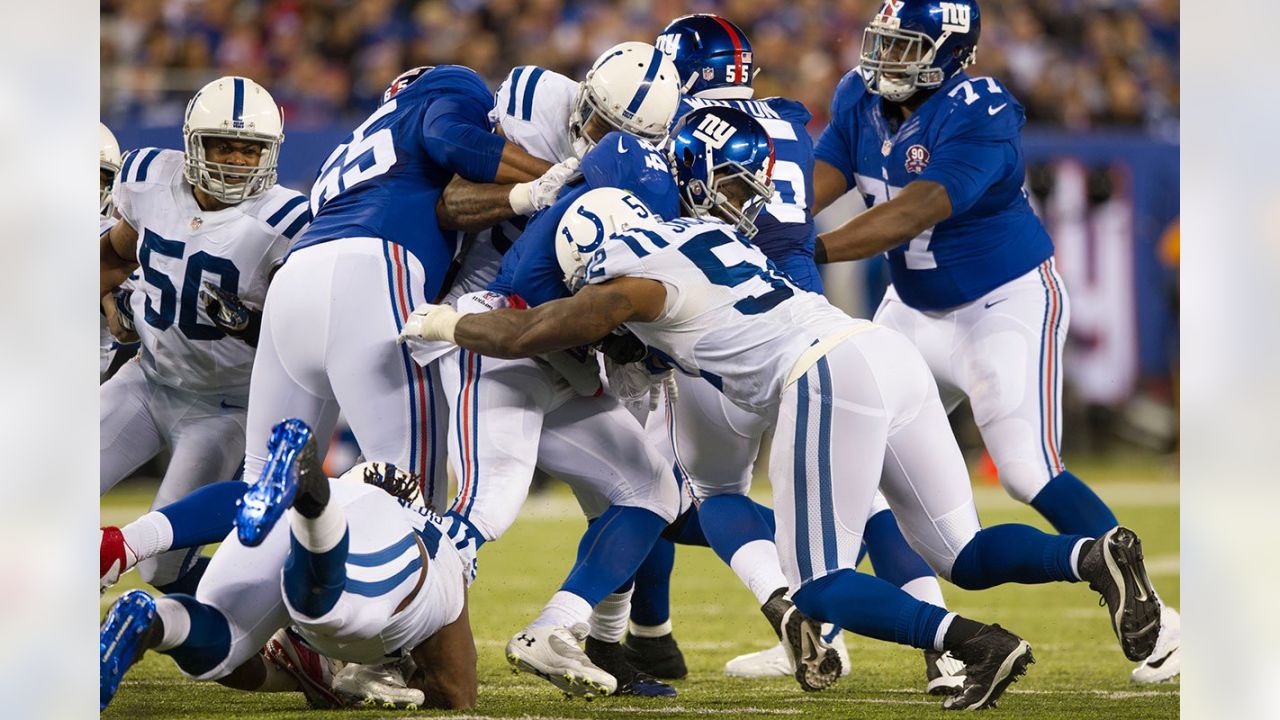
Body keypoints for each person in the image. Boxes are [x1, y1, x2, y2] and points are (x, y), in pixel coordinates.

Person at [398, 121, 1164, 710]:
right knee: (959, 551)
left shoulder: (629, 285)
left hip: (824, 378)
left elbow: (532, 331)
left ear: (588, 257)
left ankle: (975, 643)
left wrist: (443, 323)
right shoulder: (704, 235)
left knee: (821, 586)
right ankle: (1089, 557)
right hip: (877, 350)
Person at [807, 0, 1179, 682]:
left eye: (905, 46)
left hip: (1003, 304)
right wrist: (764, 225)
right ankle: (908, 642)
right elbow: (817, 179)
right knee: (854, 457)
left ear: (950, 55)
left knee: (1025, 470)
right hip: (913, 310)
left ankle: (1156, 616)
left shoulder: (982, 108)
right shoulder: (856, 95)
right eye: (884, 42)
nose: (885, 59)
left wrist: (809, 250)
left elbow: (914, 209)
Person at [636, 14, 963, 694]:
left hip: (719, 328)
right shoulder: (784, 118)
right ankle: (941, 639)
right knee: (864, 495)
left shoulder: (672, 133)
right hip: (809, 317)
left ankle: (791, 610)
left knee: (714, 490)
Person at [239, 64, 564, 513]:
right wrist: (558, 178)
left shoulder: (345, 150)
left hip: (295, 282)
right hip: (371, 271)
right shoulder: (448, 86)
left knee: (264, 486)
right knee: (413, 498)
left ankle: (146, 550)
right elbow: (449, 136)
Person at [99, 420, 478, 712]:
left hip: (311, 531)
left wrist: (328, 681)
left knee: (220, 645)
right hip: (367, 542)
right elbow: (457, 692)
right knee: (330, 611)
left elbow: (243, 670)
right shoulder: (424, 538)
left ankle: (152, 617)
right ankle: (307, 489)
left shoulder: (301, 652)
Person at [99, 76, 309, 593]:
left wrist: (251, 322)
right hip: (146, 382)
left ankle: (290, 622)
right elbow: (115, 256)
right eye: (223, 145)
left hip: (225, 409)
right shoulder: (148, 177)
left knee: (162, 567)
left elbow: (305, 337)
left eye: (249, 149)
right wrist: (110, 300)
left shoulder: (288, 221)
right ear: (193, 142)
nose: (236, 160)